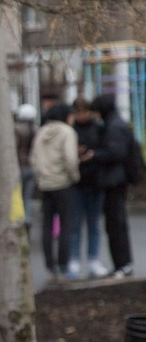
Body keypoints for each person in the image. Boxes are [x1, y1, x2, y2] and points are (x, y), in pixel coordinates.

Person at [29, 102, 80, 279]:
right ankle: (63, 264)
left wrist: (41, 178)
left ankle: (50, 266)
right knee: (66, 226)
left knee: (46, 226)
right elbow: (70, 159)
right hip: (63, 184)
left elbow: (33, 159)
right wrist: (74, 177)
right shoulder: (67, 132)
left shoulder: (41, 132)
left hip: (45, 185)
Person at [89, 93, 136, 277]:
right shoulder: (115, 124)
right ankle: (121, 264)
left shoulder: (114, 127)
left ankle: (123, 264)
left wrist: (95, 155)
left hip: (114, 181)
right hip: (115, 180)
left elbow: (116, 152)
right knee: (115, 224)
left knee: (116, 224)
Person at [68, 97, 109, 279]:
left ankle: (93, 259)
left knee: (94, 224)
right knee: (75, 224)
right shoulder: (70, 130)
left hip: (95, 181)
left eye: (83, 111)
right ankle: (74, 260)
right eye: (77, 112)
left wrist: (92, 154)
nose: (81, 115)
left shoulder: (98, 128)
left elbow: (105, 150)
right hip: (76, 183)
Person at [14, 103, 38, 233]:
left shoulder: (17, 129)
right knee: (27, 196)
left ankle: (21, 219)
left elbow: (14, 148)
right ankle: (27, 218)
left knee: (19, 196)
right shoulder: (36, 129)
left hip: (20, 166)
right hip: (33, 166)